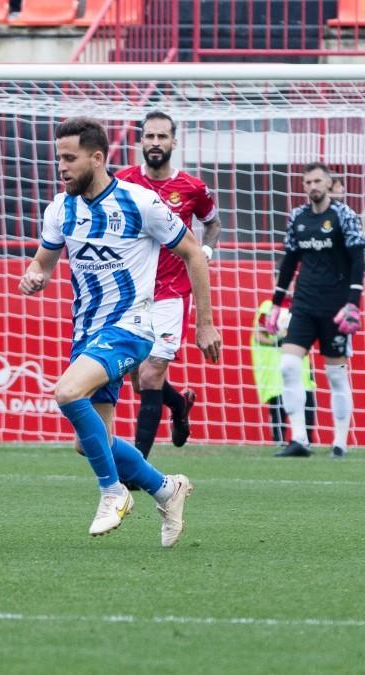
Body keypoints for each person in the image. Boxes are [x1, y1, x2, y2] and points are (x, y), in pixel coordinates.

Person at [19, 117, 220, 547]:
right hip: (87, 333)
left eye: (70, 159)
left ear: (97, 157)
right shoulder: (60, 209)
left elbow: (193, 255)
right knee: (92, 443)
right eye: (59, 159)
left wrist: (204, 322)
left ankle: (112, 492)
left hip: (131, 327)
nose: (62, 167)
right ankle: (167, 488)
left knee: (67, 392)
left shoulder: (140, 202)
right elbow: (43, 262)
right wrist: (34, 275)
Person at [115, 111, 224, 458]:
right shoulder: (123, 181)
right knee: (137, 377)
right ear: (141, 142)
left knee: (151, 374)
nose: (156, 143)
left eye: (163, 137)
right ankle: (178, 405)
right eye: (150, 137)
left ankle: (135, 466)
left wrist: (203, 251)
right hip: (132, 291)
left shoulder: (193, 188)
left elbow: (213, 223)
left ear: (174, 142)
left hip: (172, 292)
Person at [265, 162, 363, 459]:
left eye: (318, 181)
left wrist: (353, 304)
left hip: (335, 308)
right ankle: (299, 440)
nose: (312, 186)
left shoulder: (344, 216)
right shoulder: (298, 217)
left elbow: (359, 260)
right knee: (288, 366)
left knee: (335, 375)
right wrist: (275, 304)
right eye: (308, 182)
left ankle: (340, 443)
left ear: (329, 184)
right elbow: (290, 262)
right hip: (304, 305)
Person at [251, 298, 317, 447]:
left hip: (302, 370)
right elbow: (258, 335)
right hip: (276, 373)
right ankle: (279, 442)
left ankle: (306, 443)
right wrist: (278, 341)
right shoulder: (268, 307)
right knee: (279, 412)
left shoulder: (301, 305)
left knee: (307, 408)